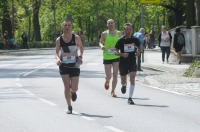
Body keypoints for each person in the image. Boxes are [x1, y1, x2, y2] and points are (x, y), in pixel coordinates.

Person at [55, 20, 84, 114]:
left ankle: (73, 92)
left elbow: (81, 48)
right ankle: (69, 106)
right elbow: (56, 52)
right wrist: (57, 59)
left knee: (74, 87)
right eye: (65, 25)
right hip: (64, 65)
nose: (67, 27)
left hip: (75, 64)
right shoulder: (59, 39)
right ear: (62, 27)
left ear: (71, 27)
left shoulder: (76, 37)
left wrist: (80, 56)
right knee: (66, 86)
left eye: (68, 25)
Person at [115, 23, 140, 105]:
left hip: (132, 61)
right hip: (123, 62)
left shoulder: (135, 39)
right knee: (123, 79)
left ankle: (130, 98)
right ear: (124, 30)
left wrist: (138, 52)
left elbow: (139, 49)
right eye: (126, 29)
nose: (128, 31)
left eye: (129, 29)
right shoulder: (120, 40)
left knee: (132, 78)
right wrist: (122, 54)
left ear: (132, 30)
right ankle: (124, 85)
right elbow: (115, 52)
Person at [99, 19, 122, 97]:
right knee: (109, 76)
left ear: (114, 24)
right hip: (107, 56)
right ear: (107, 25)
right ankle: (107, 80)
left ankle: (113, 91)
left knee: (115, 74)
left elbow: (122, 42)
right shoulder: (104, 34)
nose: (110, 24)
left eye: (111, 23)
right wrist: (102, 46)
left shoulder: (119, 33)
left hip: (116, 56)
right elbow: (100, 42)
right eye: (109, 23)